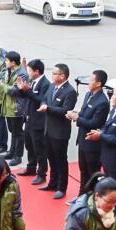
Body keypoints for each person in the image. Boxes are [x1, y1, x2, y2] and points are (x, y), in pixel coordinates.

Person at [38, 63, 77, 199]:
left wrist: (47, 108)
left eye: (55, 73)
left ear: (62, 76)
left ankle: (62, 187)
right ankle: (52, 183)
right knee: (51, 158)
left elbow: (65, 110)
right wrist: (44, 104)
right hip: (48, 129)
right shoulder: (52, 86)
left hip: (60, 132)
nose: (53, 75)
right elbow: (45, 99)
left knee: (60, 160)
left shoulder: (70, 91)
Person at [68, 69, 109, 195]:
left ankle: (94, 197)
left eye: (91, 80)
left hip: (93, 144)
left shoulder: (102, 101)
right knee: (83, 170)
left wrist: (77, 118)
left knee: (93, 173)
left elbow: (95, 123)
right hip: (82, 140)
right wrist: (76, 114)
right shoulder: (88, 95)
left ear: (98, 83)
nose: (88, 82)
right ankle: (82, 196)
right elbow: (84, 113)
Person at [19, 59, 50, 186]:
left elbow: (41, 100)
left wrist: (28, 91)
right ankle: (31, 167)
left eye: (30, 70)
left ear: (36, 72)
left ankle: (42, 173)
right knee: (29, 145)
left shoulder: (45, 84)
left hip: (39, 122)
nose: (28, 72)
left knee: (39, 149)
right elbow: (27, 97)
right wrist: (22, 89)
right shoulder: (32, 81)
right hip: (29, 119)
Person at [1, 51, 30, 167]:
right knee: (12, 131)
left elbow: (13, 91)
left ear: (13, 62)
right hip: (9, 106)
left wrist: (0, 85)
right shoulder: (9, 70)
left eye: (7, 61)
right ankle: (11, 151)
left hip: (17, 107)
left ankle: (18, 155)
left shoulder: (22, 74)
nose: (5, 62)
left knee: (18, 132)